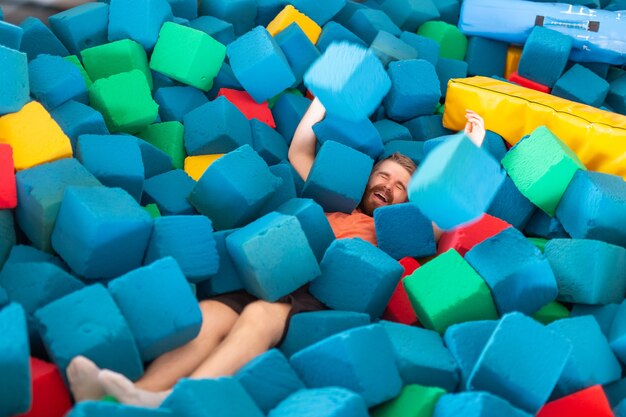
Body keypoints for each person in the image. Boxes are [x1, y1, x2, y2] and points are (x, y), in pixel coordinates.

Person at [65, 98, 486, 408]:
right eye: (382, 175)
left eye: (401, 188)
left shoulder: (394, 232)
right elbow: (299, 152)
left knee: (259, 317)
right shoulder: (327, 203)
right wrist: (321, 103)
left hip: (321, 296)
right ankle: (130, 397)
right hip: (269, 270)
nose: (388, 187)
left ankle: (174, 403)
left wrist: (471, 149)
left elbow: (445, 214)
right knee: (211, 314)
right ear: (363, 178)